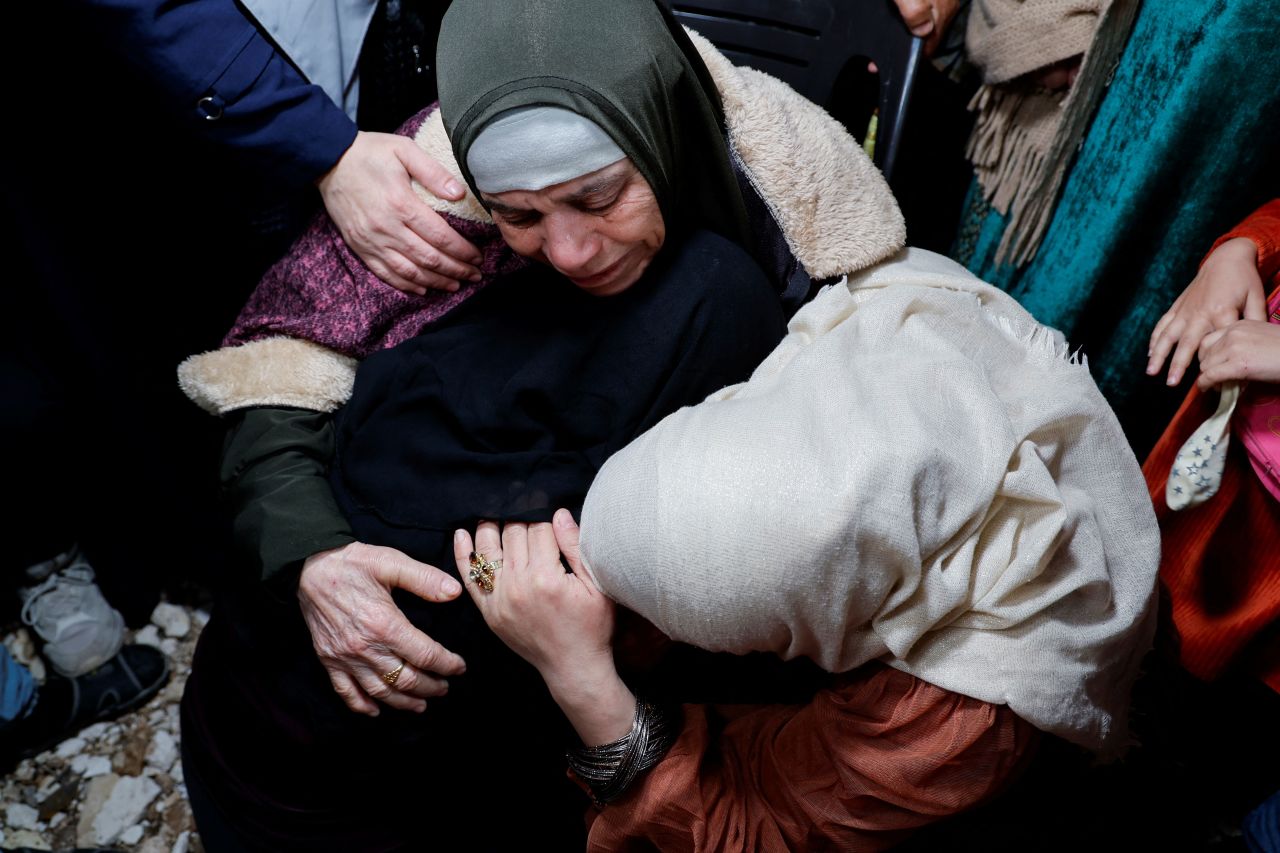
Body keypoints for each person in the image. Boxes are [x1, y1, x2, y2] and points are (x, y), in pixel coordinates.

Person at [176, 1, 908, 848]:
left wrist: (590, 671)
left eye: (598, 198)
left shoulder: (787, 232)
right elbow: (276, 375)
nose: (565, 250)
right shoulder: (436, 183)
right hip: (295, 745)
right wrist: (313, 556)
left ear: (659, 134)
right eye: (518, 216)